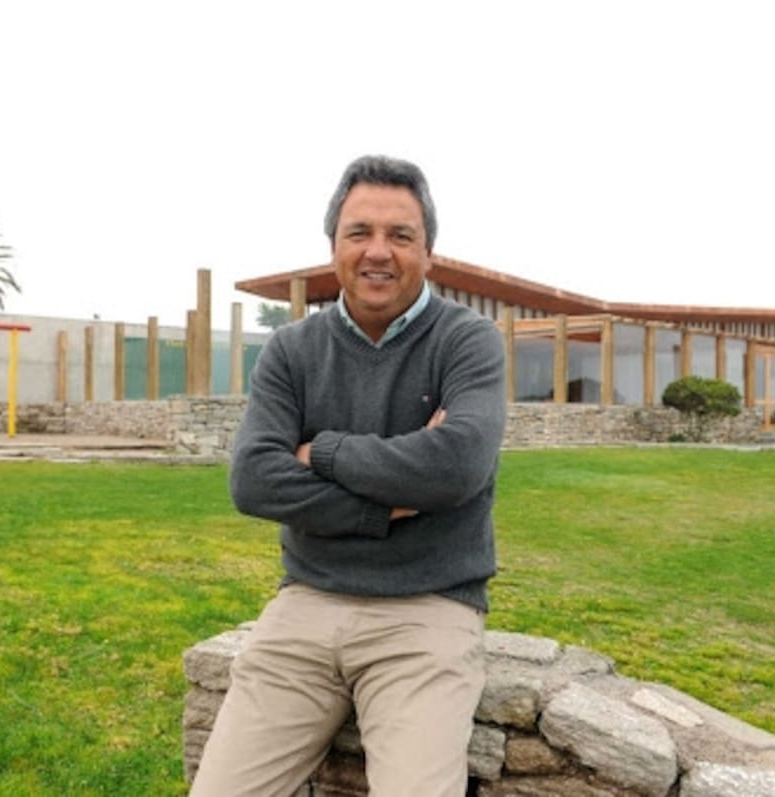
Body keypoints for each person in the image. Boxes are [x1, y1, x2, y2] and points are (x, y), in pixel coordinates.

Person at [190, 155, 507, 796]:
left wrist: (322, 452)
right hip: (305, 605)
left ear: (428, 252)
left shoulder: (467, 341)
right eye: (359, 232)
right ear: (333, 246)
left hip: (428, 614)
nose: (378, 252)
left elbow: (455, 468)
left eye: (401, 235)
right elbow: (254, 480)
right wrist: (380, 509)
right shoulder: (291, 350)